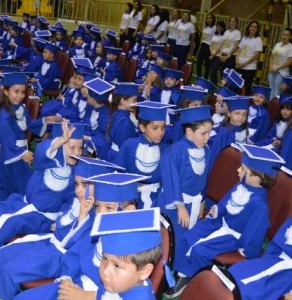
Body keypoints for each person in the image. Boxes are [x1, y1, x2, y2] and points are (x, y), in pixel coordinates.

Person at [0, 156, 122, 300]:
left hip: (59, 256)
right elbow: (57, 221)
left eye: (85, 185)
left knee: (11, 270)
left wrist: (82, 218)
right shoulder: (74, 200)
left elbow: (72, 246)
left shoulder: (95, 215)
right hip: (49, 242)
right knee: (1, 256)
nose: (79, 190)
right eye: (77, 184)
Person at [165, 144, 285, 298]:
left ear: (256, 176)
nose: (238, 171)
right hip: (221, 222)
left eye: (243, 169)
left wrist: (247, 249)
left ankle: (195, 277)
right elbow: (226, 203)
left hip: (234, 235)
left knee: (200, 250)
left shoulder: (260, 205)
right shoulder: (240, 185)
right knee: (191, 234)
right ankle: (184, 269)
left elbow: (255, 230)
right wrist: (218, 210)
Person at [13, 173, 149, 300]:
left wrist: (88, 296)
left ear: (129, 210)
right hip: (75, 283)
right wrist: (67, 278)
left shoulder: (136, 244)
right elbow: (75, 255)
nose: (100, 214)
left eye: (109, 208)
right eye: (97, 206)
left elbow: (134, 290)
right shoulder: (97, 233)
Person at [0, 120, 83, 249]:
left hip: (43, 218)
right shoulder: (45, 164)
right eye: (72, 147)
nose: (78, 153)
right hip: (24, 203)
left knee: (12, 223)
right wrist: (61, 140)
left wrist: (60, 219)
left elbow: (69, 200)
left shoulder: (74, 175)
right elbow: (42, 150)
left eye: (80, 147)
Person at [157, 105, 213, 298]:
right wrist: (180, 206)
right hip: (175, 203)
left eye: (209, 133)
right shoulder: (175, 151)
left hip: (194, 203)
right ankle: (166, 270)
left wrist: (203, 199)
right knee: (175, 238)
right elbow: (170, 178)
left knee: (188, 238)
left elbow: (204, 177)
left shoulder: (205, 150)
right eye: (203, 133)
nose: (207, 138)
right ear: (189, 131)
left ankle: (182, 273)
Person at [0, 73, 52, 201]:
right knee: (18, 186)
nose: (20, 96)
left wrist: (45, 120)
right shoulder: (5, 115)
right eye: (16, 91)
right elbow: (7, 140)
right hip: (12, 157)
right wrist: (22, 153)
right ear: (5, 91)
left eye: (23, 92)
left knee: (9, 187)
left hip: (18, 154)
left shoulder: (20, 108)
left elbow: (28, 124)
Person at [91, 208, 162, 299]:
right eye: (104, 258)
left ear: (144, 271)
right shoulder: (116, 284)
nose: (104, 271)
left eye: (116, 265)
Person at [115, 101, 174, 208]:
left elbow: (167, 180)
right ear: (142, 128)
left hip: (156, 199)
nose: (160, 132)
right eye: (155, 128)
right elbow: (118, 173)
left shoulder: (166, 150)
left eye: (163, 127)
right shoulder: (129, 145)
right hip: (129, 198)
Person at [227, 216, 292, 300]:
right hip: (276, 259)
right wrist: (267, 259)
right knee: (234, 272)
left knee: (249, 291)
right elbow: (276, 245)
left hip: (288, 276)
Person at [209, 96, 250, 169]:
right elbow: (214, 154)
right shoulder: (224, 132)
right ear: (229, 113)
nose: (241, 117)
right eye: (237, 113)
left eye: (244, 114)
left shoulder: (244, 130)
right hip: (224, 168)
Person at [83, 78, 115, 160]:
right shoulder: (93, 109)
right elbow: (86, 124)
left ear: (93, 98)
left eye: (88, 95)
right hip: (89, 138)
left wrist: (88, 138)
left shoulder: (106, 116)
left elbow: (105, 138)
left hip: (100, 148)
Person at [107, 83, 139, 162]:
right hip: (120, 158)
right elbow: (125, 147)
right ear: (122, 100)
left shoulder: (117, 113)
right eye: (134, 100)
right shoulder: (125, 123)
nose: (136, 102)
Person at [235, 20, 263, 95]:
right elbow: (239, 50)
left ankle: (246, 104)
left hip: (249, 68)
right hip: (239, 66)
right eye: (252, 26)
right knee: (237, 86)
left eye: (255, 27)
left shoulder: (258, 40)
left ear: (257, 29)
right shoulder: (244, 38)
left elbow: (256, 55)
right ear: (249, 27)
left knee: (246, 87)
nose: (253, 28)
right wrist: (237, 61)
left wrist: (245, 64)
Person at [268, 27, 292, 100]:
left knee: (277, 93)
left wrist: (278, 68)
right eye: (283, 34)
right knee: (271, 91)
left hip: (281, 73)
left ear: (290, 37)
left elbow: (290, 61)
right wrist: (270, 67)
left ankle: (276, 109)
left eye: (287, 35)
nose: (284, 36)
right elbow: (271, 57)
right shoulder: (277, 44)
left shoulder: (290, 47)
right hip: (272, 71)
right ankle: (270, 108)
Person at [197, 13, 216, 79]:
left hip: (209, 46)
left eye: (210, 18)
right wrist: (200, 46)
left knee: (207, 64)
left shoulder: (214, 28)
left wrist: (212, 49)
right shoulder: (205, 27)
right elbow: (202, 37)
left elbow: (215, 39)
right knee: (199, 62)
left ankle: (205, 78)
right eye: (207, 18)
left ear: (213, 19)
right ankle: (198, 77)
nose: (208, 19)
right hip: (203, 45)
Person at [209, 21, 226, 85]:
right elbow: (211, 45)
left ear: (223, 28)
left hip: (219, 56)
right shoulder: (214, 35)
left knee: (214, 71)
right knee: (212, 73)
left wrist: (214, 54)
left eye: (220, 26)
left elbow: (220, 47)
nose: (218, 28)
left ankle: (217, 84)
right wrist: (211, 53)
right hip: (212, 55)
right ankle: (213, 84)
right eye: (217, 26)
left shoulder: (224, 36)